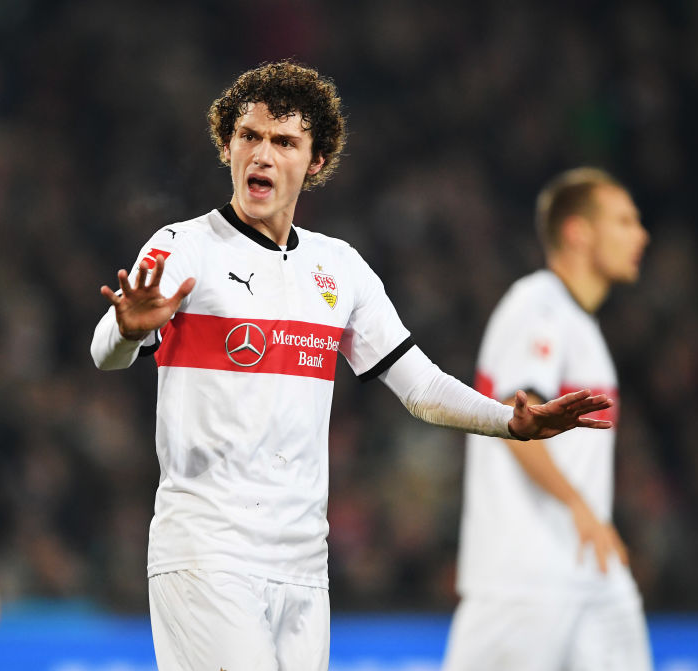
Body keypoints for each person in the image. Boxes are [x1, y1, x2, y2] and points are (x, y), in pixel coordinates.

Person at [90, 61, 614, 671]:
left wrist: (509, 423)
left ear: (314, 162)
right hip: (208, 551)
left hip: (303, 564)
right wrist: (128, 327)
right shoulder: (185, 247)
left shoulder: (339, 267)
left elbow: (417, 385)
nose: (261, 154)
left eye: (283, 141)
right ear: (228, 144)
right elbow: (106, 350)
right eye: (249, 135)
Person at [443, 167, 653, 670]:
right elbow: (521, 424)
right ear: (578, 231)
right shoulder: (536, 307)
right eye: (624, 221)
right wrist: (580, 506)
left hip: (586, 571)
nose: (640, 234)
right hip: (524, 581)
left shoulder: (577, 321)